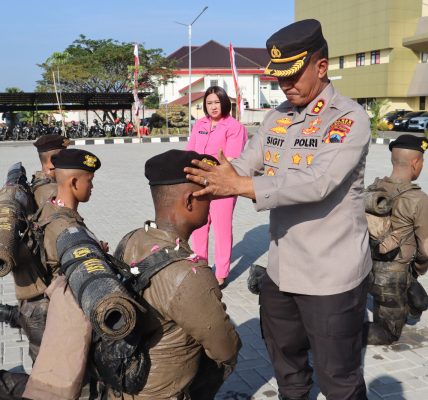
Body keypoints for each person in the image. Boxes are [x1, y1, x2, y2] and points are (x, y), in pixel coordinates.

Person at [184, 19, 372, 400]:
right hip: (282, 271)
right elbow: (242, 164)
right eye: (279, 78)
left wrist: (239, 185)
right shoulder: (277, 117)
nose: (285, 85)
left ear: (321, 67)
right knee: (288, 371)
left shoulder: (349, 119)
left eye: (293, 75)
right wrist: (203, 179)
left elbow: (318, 181)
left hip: (330, 276)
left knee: (339, 379)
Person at [110, 149, 241, 400]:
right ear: (190, 201)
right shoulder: (190, 273)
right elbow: (226, 349)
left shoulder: (133, 238)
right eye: (207, 195)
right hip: (163, 391)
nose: (211, 202)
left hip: (125, 379)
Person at [0, 134, 70, 361]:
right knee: (52, 369)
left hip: (30, 296)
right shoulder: (51, 195)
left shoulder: (34, 185)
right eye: (66, 160)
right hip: (42, 300)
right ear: (52, 163)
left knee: (41, 359)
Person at [363, 134, 428, 345]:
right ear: (416, 163)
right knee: (388, 333)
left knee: (421, 301)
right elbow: (426, 250)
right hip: (393, 279)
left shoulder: (375, 189)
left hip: (368, 268)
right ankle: (338, 333)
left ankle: (412, 303)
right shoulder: (418, 199)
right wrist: (419, 266)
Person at [186, 86, 248, 287]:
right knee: (199, 225)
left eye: (217, 102)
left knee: (221, 229)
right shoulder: (200, 124)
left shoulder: (234, 127)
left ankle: (221, 273)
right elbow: (190, 152)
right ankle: (200, 264)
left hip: (223, 184)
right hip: (199, 182)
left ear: (224, 102)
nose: (213, 107)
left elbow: (229, 159)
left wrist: (210, 175)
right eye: (209, 102)